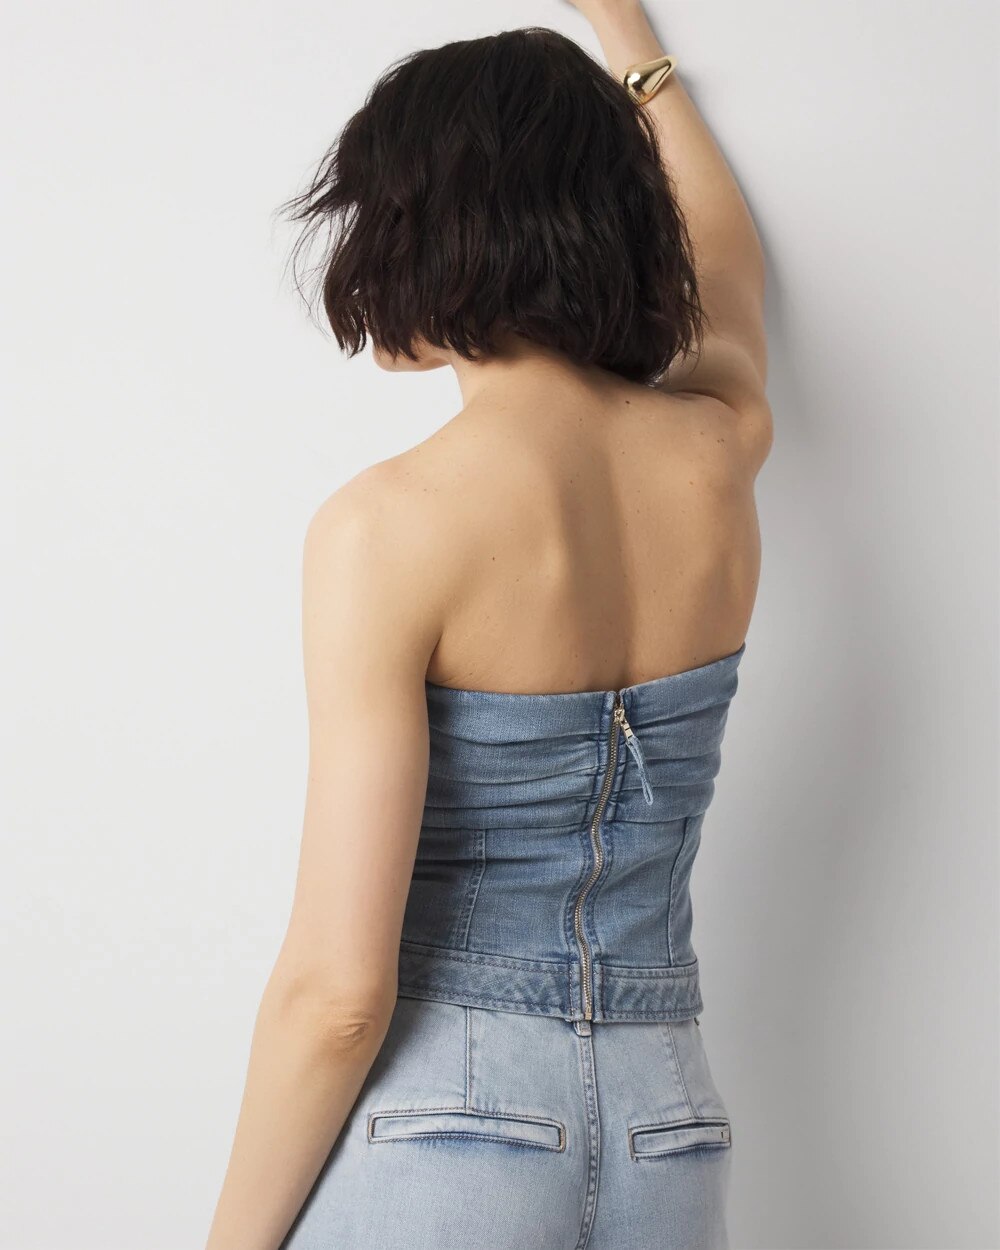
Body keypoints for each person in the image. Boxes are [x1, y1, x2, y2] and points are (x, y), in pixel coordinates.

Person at [204, 2, 770, 1247]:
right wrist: (627, 40)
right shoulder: (715, 455)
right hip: (669, 1123)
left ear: (435, 229)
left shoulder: (388, 525)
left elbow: (339, 994)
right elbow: (728, 273)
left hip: (448, 1121)